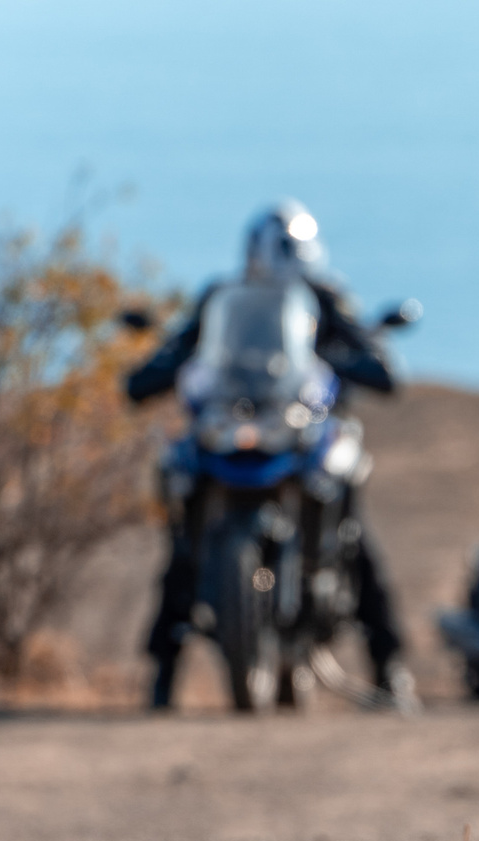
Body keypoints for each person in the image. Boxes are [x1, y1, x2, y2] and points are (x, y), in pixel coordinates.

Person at [124, 201, 415, 711]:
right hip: (234, 423)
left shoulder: (324, 299)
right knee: (183, 544)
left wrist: (350, 362)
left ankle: (389, 665)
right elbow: (182, 349)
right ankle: (162, 674)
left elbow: (376, 362)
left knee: (355, 539)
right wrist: (157, 369)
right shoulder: (222, 298)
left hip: (304, 431)